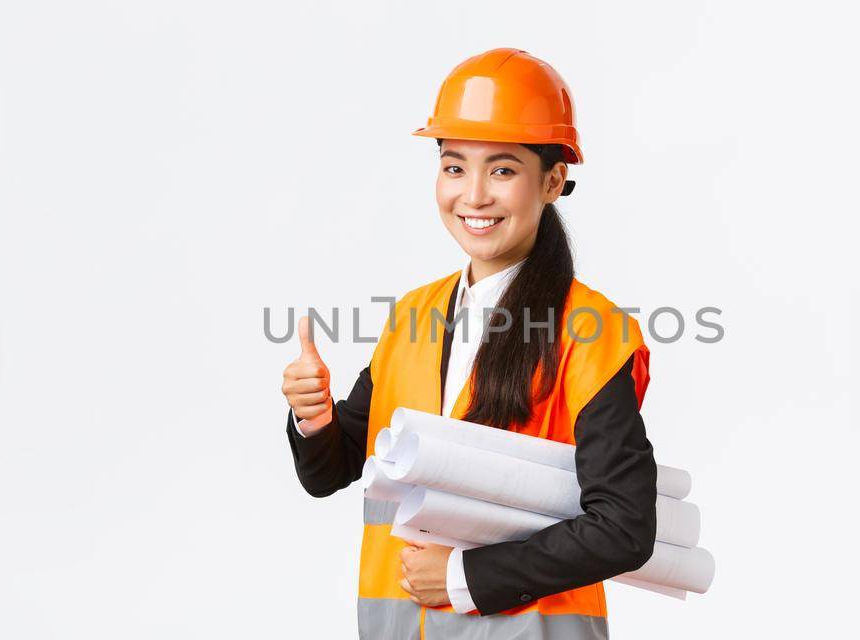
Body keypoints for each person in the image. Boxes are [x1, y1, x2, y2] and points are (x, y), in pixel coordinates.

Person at [280, 48, 658, 640]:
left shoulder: (591, 330)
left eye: (503, 170)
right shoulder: (414, 314)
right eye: (454, 167)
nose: (474, 195)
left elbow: (624, 526)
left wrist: (466, 578)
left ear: (553, 180)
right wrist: (312, 418)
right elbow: (333, 471)